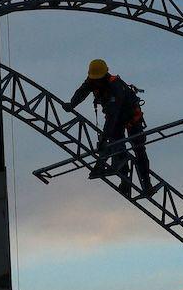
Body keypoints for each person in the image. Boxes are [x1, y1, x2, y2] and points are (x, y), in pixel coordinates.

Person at [62, 59, 153, 196]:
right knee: (118, 149)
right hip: (116, 119)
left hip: (131, 117)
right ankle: (125, 182)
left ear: (105, 75)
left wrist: (104, 139)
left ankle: (147, 184)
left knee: (138, 148)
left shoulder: (114, 86)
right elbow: (82, 92)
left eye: (98, 79)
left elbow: (112, 116)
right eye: (94, 79)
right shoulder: (92, 81)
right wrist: (72, 104)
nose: (96, 82)